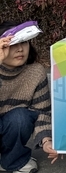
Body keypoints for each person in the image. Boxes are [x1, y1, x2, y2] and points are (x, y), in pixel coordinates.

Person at [0, 21, 57, 173]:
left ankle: (13, 160)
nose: (20, 49)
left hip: (10, 127)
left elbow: (42, 112)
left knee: (21, 117)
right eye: (12, 44)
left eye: (24, 42)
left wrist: (46, 141)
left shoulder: (35, 72)